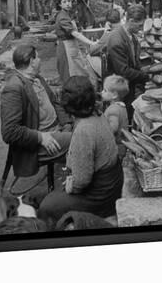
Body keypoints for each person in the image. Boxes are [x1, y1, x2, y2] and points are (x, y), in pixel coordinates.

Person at [38, 76, 124, 226]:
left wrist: (71, 185)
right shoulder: (97, 112)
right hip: (113, 182)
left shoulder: (84, 130)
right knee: (51, 196)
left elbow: (82, 181)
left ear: (68, 104)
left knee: (47, 206)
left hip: (102, 195)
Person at [0, 45, 73, 179]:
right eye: (38, 57)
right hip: (36, 144)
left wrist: (66, 122)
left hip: (57, 128)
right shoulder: (13, 88)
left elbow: (55, 102)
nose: (40, 60)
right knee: (82, 140)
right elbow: (9, 132)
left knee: (87, 127)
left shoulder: (37, 78)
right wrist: (40, 137)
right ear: (32, 61)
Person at [106, 4, 150, 123]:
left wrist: (144, 69)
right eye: (139, 25)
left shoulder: (131, 36)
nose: (141, 28)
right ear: (131, 21)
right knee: (124, 117)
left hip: (128, 82)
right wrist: (145, 76)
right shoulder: (117, 40)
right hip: (119, 86)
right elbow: (123, 71)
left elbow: (134, 61)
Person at [54, 0, 96, 84]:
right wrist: (91, 43)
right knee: (69, 75)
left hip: (72, 46)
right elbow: (75, 34)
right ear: (60, 4)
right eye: (64, 2)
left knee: (79, 72)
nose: (68, 3)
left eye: (69, 1)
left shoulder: (68, 14)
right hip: (66, 48)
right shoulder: (62, 17)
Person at [101, 75, 130, 159]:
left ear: (114, 95)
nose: (102, 92)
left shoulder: (113, 110)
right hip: (122, 145)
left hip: (115, 148)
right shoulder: (121, 106)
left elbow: (113, 128)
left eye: (105, 90)